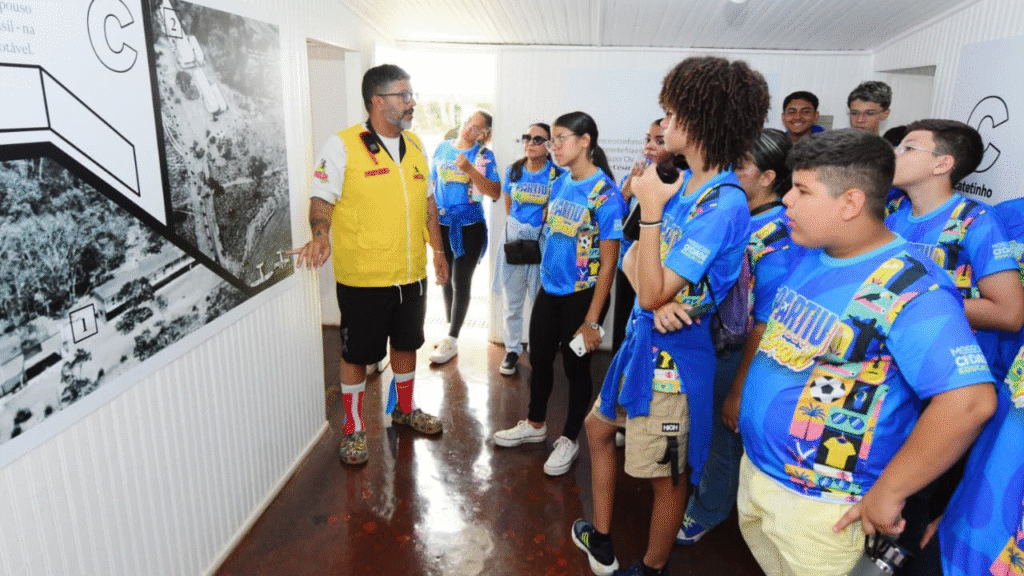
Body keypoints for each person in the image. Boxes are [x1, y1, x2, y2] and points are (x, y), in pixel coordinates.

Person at [735, 129, 996, 576]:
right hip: (762, 475)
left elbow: (969, 402)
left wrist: (890, 491)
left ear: (850, 203)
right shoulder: (812, 253)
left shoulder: (911, 285)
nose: (787, 202)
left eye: (802, 191)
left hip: (823, 507)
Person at [572, 56, 769, 576]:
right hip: (643, 341)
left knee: (668, 475)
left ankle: (652, 565)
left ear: (699, 122)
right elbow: (635, 262)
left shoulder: (723, 204)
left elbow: (650, 282)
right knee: (597, 430)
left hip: (674, 363)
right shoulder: (684, 185)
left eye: (672, 114)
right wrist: (658, 296)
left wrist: (652, 218)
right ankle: (603, 537)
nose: (664, 124)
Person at [291, 64, 449, 466]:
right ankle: (354, 427)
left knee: (407, 345)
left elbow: (428, 203)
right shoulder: (342, 145)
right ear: (377, 101)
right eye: (403, 95)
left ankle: (405, 409)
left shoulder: (416, 145)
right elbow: (321, 199)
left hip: (410, 275)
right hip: (363, 279)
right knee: (357, 355)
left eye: (411, 94)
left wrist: (438, 252)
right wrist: (321, 234)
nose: (412, 102)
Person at [676, 128, 802, 545]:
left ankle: (708, 509)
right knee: (706, 427)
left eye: (741, 166)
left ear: (768, 177)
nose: (730, 173)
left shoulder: (778, 234)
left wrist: (738, 389)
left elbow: (764, 323)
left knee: (723, 436)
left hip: (740, 353)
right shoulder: (735, 214)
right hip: (709, 342)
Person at [492, 111, 624, 478]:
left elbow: (609, 265)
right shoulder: (561, 182)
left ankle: (569, 438)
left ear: (585, 141)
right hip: (550, 290)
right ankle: (535, 424)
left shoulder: (605, 195)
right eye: (553, 139)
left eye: (561, 138)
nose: (554, 146)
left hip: (582, 296)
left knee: (576, 368)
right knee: (540, 358)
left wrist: (592, 321)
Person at [906, 196, 1024, 576]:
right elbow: (1002, 442)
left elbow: (1007, 312)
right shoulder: (1007, 215)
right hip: (965, 537)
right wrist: (953, 512)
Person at [887, 119, 1024, 381]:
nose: (894, 154)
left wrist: (908, 303)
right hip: (902, 360)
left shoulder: (975, 220)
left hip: (952, 369)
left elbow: (1009, 313)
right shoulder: (893, 218)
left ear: (942, 164)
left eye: (908, 148)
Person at [429, 110, 502, 365]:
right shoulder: (442, 148)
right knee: (445, 277)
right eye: (469, 120)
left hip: (470, 226)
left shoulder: (483, 156)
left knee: (461, 280)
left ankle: (452, 338)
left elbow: (495, 192)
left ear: (484, 134)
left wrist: (469, 169)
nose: (469, 127)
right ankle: (451, 334)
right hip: (442, 224)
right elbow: (431, 186)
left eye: (477, 126)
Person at [493, 123, 562, 375]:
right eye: (527, 137)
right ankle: (512, 350)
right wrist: (519, 232)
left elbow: (557, 211)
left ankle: (537, 348)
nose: (530, 143)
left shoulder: (556, 175)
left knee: (539, 303)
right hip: (515, 243)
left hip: (542, 245)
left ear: (549, 145)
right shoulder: (514, 170)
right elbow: (509, 206)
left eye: (537, 139)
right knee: (512, 301)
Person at [613, 119, 674, 351]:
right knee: (623, 328)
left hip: (655, 269)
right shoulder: (635, 176)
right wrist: (626, 191)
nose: (650, 145)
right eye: (647, 139)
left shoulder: (677, 182)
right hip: (626, 262)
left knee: (647, 328)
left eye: (659, 141)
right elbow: (613, 220)